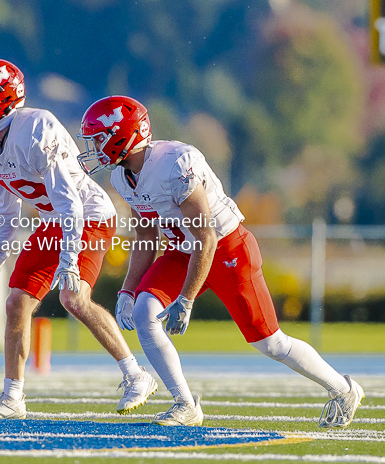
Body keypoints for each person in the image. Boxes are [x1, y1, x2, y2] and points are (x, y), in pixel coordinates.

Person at [76, 95, 365, 428]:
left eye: (99, 138)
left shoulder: (175, 162)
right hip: (182, 250)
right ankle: (185, 405)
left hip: (227, 248)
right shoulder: (119, 179)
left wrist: (185, 299)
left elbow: (207, 237)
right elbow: (146, 236)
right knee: (144, 311)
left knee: (270, 342)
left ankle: (343, 389)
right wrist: (128, 290)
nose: (94, 147)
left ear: (121, 135)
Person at [0, 60, 157, 419]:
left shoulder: (36, 128)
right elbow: (7, 207)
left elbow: (70, 204)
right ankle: (12, 398)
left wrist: (67, 261)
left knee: (73, 297)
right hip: (54, 220)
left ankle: (136, 375)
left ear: (4, 97)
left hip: (89, 215)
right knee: (16, 303)